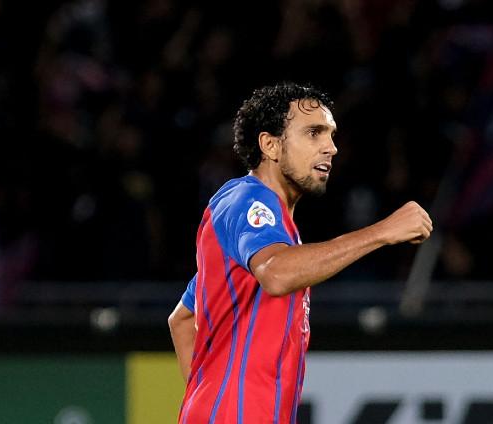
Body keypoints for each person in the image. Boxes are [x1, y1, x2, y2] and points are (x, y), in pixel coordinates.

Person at [168, 82, 432, 423]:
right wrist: (382, 232)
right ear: (270, 145)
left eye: (331, 135)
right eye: (313, 133)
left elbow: (183, 319)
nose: (331, 147)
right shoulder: (248, 199)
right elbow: (277, 274)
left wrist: (210, 400)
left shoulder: (264, 237)